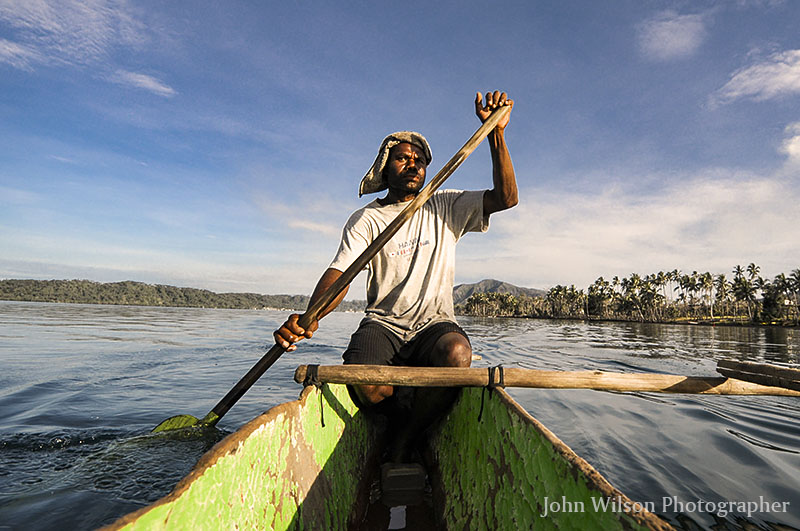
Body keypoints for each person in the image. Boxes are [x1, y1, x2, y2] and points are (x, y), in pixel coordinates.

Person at [274, 90, 517, 462]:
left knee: (457, 354)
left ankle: (406, 435)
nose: (414, 164)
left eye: (420, 160)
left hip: (434, 323)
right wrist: (308, 319)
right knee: (365, 384)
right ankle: (401, 410)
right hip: (383, 323)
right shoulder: (366, 220)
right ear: (385, 167)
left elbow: (506, 198)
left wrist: (496, 133)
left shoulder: (445, 205)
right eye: (403, 158)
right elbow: (339, 274)